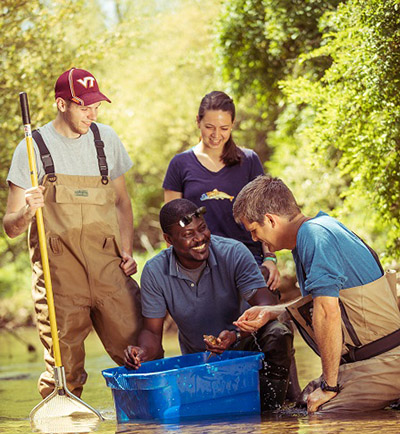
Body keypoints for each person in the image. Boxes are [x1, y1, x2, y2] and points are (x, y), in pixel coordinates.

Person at [3, 68, 142, 398]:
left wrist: (126, 249)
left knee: (140, 355)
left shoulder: (106, 139)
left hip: (109, 268)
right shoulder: (31, 148)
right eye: (84, 107)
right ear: (61, 104)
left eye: (96, 106)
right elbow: (9, 226)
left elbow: (122, 202)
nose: (91, 115)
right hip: (59, 279)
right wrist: (27, 210)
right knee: (64, 375)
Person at [232, 175, 400, 414]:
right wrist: (272, 312)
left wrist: (330, 387)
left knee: (320, 414)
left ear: (270, 220)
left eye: (254, 230)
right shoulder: (317, 230)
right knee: (302, 402)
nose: (254, 239)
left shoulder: (315, 236)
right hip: (371, 360)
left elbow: (327, 311)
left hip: (387, 361)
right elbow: (331, 300)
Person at [124, 198, 294, 410]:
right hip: (201, 364)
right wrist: (140, 353)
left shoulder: (233, 252)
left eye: (202, 228)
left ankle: (273, 415)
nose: (199, 238)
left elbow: (267, 308)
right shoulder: (155, 271)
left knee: (278, 331)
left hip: (246, 350)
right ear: (169, 239)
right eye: (188, 235)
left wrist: (236, 335)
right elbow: (151, 332)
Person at [163, 91, 280, 290]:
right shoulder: (180, 164)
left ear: (232, 125)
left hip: (248, 260)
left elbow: (264, 215)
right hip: (198, 263)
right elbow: (171, 225)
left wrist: (270, 258)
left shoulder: (249, 161)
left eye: (224, 128)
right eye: (209, 127)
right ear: (197, 121)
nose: (216, 135)